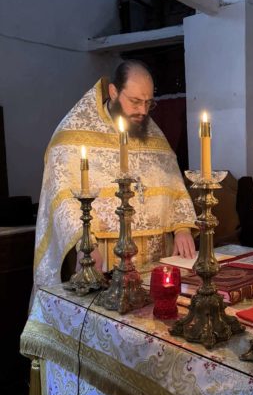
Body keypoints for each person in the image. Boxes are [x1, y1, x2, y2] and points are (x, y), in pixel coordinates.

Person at [34, 60, 196, 288]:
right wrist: (85, 244)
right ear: (113, 91)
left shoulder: (153, 134)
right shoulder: (72, 134)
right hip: (104, 257)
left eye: (149, 103)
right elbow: (61, 195)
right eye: (135, 101)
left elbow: (174, 185)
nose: (143, 111)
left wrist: (182, 228)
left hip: (157, 256)